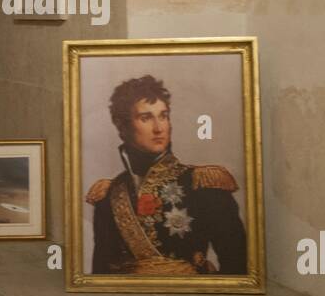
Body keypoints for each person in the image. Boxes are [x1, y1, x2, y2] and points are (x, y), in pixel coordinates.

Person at [87, 75, 247, 275]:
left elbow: (238, 269)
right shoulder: (109, 194)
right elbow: (100, 276)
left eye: (163, 116)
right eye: (145, 118)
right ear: (122, 126)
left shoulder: (203, 185)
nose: (158, 128)